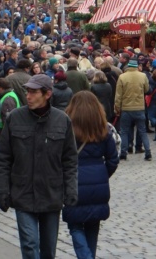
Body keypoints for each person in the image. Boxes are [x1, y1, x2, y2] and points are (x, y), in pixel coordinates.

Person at [0, 74, 78, 259]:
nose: (28, 96)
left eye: (33, 92)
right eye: (27, 92)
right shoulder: (15, 118)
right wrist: (3, 190)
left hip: (51, 193)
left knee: (48, 250)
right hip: (23, 193)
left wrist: (71, 190)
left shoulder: (61, 120)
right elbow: (3, 158)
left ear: (47, 94)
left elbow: (70, 160)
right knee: (30, 245)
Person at [62, 91, 119, 259]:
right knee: (93, 226)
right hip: (98, 182)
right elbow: (113, 159)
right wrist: (102, 174)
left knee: (75, 225)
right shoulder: (104, 129)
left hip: (74, 180)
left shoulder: (67, 128)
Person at [114, 58, 151, 161]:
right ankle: (148, 152)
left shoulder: (122, 77)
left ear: (128, 66)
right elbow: (147, 89)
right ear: (137, 67)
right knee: (142, 131)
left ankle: (123, 153)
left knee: (124, 131)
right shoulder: (143, 76)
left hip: (126, 108)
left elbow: (118, 95)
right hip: (139, 108)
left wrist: (117, 108)